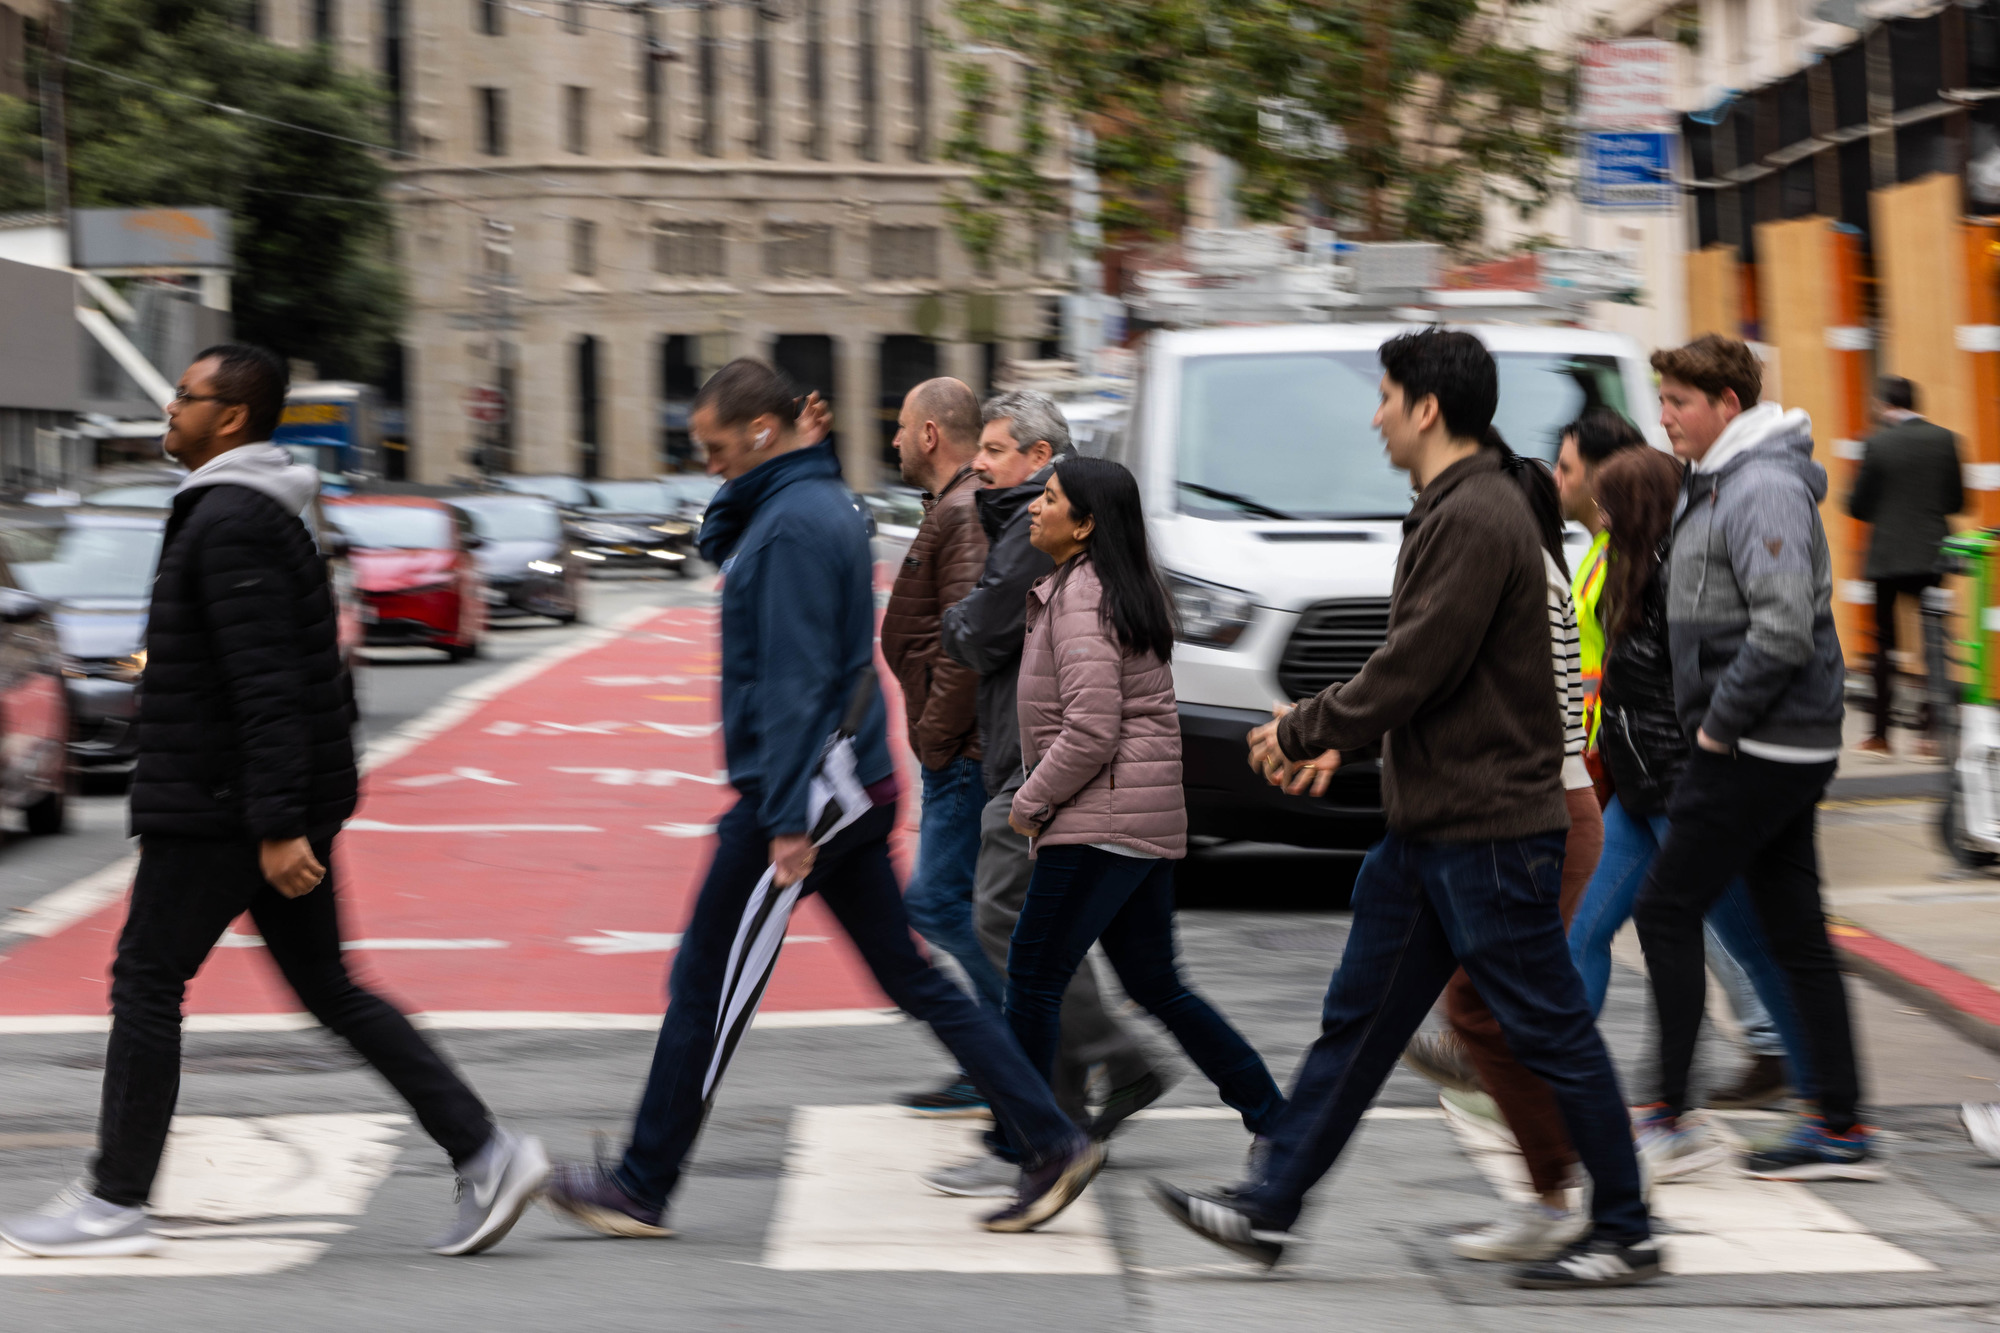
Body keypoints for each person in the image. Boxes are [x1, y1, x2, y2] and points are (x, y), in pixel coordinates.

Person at [0, 346, 549, 1260]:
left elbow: (270, 688)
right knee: (327, 986)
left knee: (146, 979)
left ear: (234, 418)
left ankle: (114, 1198)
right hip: (244, 799)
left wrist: (281, 822)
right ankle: (488, 1150)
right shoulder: (246, 510)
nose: (169, 408)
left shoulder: (231, 521)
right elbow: (299, 677)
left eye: (187, 396)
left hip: (221, 805)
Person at [542, 359, 1102, 1238]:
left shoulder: (796, 523)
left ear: (761, 432)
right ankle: (1052, 1139)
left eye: (716, 445)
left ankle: (643, 1182)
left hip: (806, 790)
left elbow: (798, 680)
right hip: (842, 782)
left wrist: (789, 819)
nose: (708, 462)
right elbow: (726, 543)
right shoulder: (806, 504)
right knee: (909, 977)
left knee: (707, 983)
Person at [1153, 329, 1655, 1290]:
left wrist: (1308, 725)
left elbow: (1418, 662)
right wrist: (1350, 730)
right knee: (1361, 1020)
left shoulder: (1476, 514)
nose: (1374, 414)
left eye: (1384, 396)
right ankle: (1270, 1204)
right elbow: (1438, 673)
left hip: (1489, 827)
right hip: (1432, 823)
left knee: (1544, 1024)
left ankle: (1626, 1225)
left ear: (1427, 409)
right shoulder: (1467, 502)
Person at [990, 456, 1284, 1171]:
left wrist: (1030, 803)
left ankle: (1044, 1146)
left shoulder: (1085, 599)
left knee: (1030, 978)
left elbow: (1091, 728)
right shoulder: (1097, 586)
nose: (1035, 507)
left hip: (1103, 821)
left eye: (1051, 499)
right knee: (1156, 982)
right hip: (1133, 818)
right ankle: (1277, 1117)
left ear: (1086, 524)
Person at [1633, 335, 1878, 1181]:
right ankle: (1841, 1127)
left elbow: (1780, 629)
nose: (1664, 416)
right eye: (1662, 400)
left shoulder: (1762, 487)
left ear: (1727, 406)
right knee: (1795, 933)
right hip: (1772, 741)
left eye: (1679, 402)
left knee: (1666, 910)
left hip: (1758, 744)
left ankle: (1666, 1117)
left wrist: (1715, 728)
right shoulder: (1724, 482)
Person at [922, 393, 1169, 1198]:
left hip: (1032, 771)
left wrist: (1030, 791)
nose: (979, 461)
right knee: (1027, 934)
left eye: (994, 448)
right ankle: (1073, 1101)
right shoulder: (1019, 521)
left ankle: (1060, 1108)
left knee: (1005, 929)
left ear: (1038, 456)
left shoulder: (1042, 525)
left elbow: (979, 629)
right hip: (1024, 762)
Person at [1565, 443, 1819, 1178]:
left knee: (1752, 946)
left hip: (1689, 794)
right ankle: (1562, 1090)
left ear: (1636, 507)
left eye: (1611, 502)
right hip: (1640, 792)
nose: (1600, 513)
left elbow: (1727, 678)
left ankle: (1822, 1103)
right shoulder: (1621, 573)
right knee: (1587, 931)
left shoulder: (1687, 581)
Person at [1402, 407, 1643, 1096]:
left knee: (1584, 931)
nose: (1559, 478)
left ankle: (1543, 1072)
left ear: (1602, 477)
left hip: (1604, 769)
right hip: (1598, 764)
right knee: (1659, 923)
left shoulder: (1599, 564)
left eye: (1568, 466)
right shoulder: (1589, 557)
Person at [1434, 482, 1606, 1264]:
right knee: (1498, 1006)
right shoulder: (1538, 575)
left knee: (1496, 1007)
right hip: (1552, 813)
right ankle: (1562, 1179)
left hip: (1548, 818)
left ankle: (1566, 1178)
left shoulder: (1526, 581)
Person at [880, 377, 1004, 1120]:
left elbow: (966, 641)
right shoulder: (953, 506)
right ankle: (1001, 1054)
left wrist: (932, 736)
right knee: (969, 906)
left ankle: (1015, 1051)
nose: (892, 440)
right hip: (956, 745)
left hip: (958, 748)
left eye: (900, 427)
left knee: (936, 902)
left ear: (929, 434)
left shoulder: (962, 512)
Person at [1847, 375, 1963, 757]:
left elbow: (1858, 506)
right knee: (1934, 640)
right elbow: (1956, 501)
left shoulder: (1877, 444)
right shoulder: (1946, 439)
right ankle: (1931, 734)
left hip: (1887, 559)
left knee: (1884, 643)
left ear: (1884, 405)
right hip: (1932, 554)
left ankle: (1880, 736)